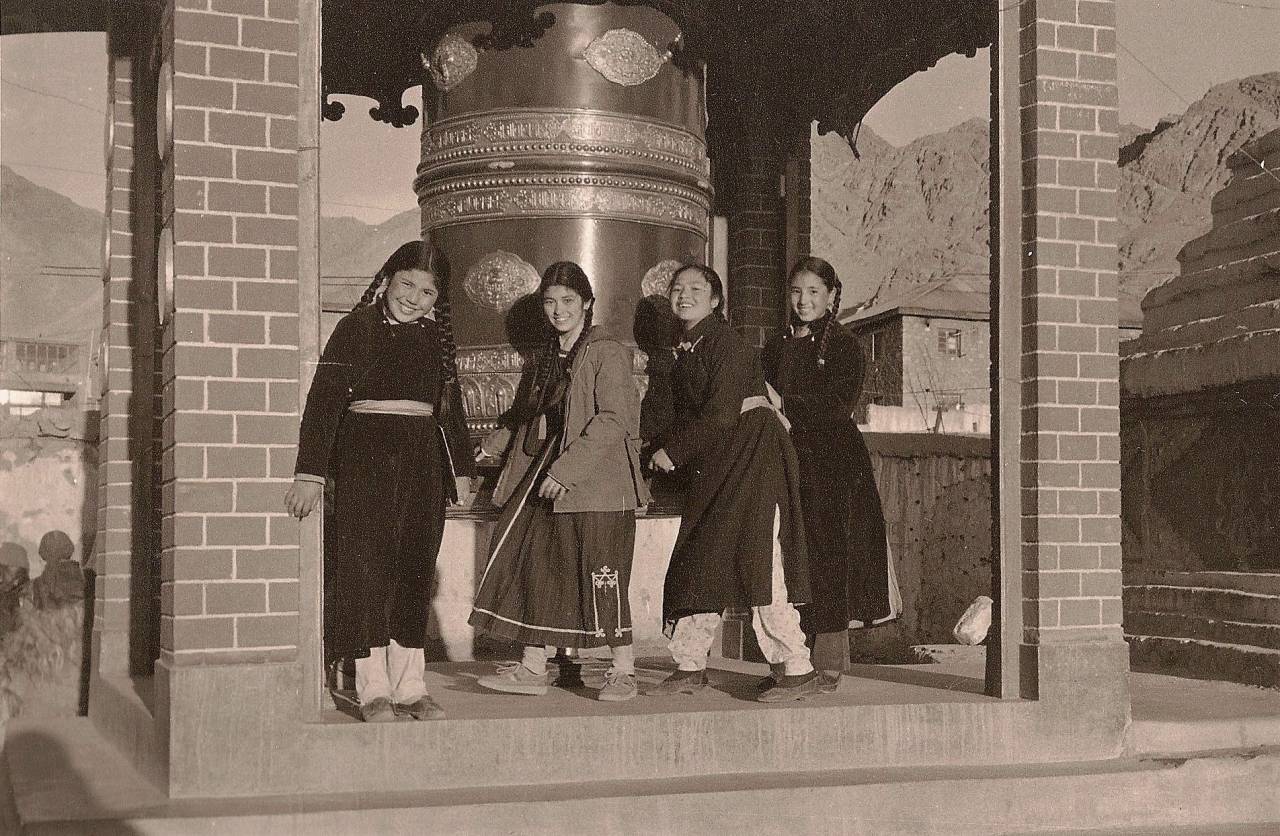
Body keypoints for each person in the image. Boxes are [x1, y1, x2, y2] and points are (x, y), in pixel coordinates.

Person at [284, 241, 474, 722]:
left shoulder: (436, 341)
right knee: (367, 574)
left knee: (414, 573)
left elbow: (450, 413)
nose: (413, 297)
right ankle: (373, 690)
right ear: (388, 279)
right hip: (365, 462)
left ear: (438, 300)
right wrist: (311, 472)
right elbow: (324, 402)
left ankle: (411, 686)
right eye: (406, 284)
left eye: (427, 292)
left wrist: (463, 472)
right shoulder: (356, 328)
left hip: (423, 468)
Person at [470, 262, 650, 702]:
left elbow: (614, 420)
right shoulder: (551, 356)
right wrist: (501, 440)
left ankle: (623, 671)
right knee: (539, 563)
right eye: (550, 302)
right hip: (553, 475)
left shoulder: (607, 352)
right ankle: (533, 667)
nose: (558, 310)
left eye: (568, 301)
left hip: (599, 484)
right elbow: (533, 413)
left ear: (587, 304)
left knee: (601, 574)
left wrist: (564, 472)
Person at [644, 263, 820, 702]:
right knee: (705, 556)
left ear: (716, 300)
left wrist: (673, 453)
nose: (685, 296)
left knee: (759, 563)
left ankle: (796, 668)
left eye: (696, 289)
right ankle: (689, 664)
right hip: (723, 463)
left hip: (755, 460)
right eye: (678, 289)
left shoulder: (726, 343)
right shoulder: (686, 347)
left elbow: (722, 414)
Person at [763, 256, 900, 693]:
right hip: (784, 460)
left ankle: (828, 661)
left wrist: (783, 405)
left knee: (828, 556)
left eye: (814, 293)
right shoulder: (775, 347)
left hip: (833, 466)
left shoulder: (844, 347)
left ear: (831, 297)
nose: (803, 301)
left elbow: (836, 407)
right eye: (797, 292)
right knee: (787, 557)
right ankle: (789, 656)